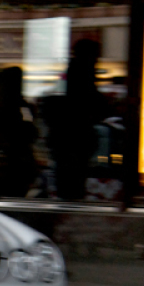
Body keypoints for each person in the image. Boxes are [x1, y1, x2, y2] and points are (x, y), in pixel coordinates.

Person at [50, 38, 106, 200]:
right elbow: (88, 103)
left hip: (69, 139)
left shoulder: (72, 73)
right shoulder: (82, 73)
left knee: (70, 180)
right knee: (73, 180)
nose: (97, 60)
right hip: (74, 138)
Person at [0, 66, 39, 198]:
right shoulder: (21, 105)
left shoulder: (0, 105)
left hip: (11, 158)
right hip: (18, 158)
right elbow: (29, 129)